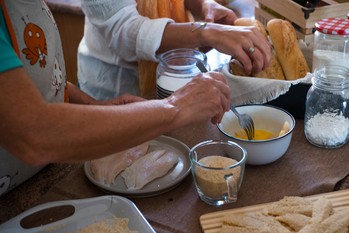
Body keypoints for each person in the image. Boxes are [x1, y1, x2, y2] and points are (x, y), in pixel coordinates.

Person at [0, 0, 230, 197]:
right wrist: (175, 106)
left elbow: (40, 81)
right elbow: (33, 133)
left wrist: (92, 105)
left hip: (45, 172)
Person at [78, 0, 271, 99]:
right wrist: (207, 32)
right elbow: (123, 32)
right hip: (118, 87)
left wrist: (204, 5)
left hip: (179, 73)